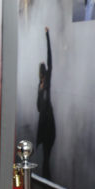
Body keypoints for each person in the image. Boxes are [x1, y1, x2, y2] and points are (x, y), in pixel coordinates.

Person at [36, 27, 55, 181]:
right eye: (42, 68)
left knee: (47, 152)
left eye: (43, 68)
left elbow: (50, 58)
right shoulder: (40, 84)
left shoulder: (46, 81)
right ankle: (46, 179)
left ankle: (46, 180)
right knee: (45, 154)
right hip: (43, 120)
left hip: (47, 119)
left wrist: (47, 36)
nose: (43, 69)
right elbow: (37, 104)